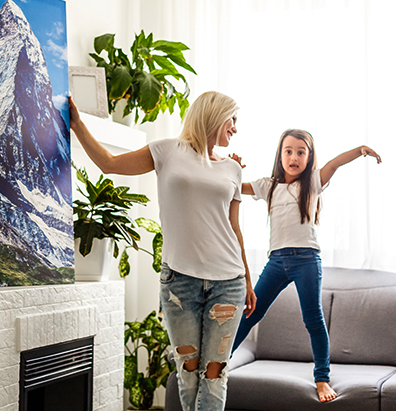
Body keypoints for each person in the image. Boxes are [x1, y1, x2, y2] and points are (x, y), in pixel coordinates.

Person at [69, 91, 257, 411]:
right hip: (180, 281)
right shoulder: (168, 150)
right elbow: (109, 164)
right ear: (213, 114)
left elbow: (234, 229)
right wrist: (77, 124)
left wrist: (249, 280)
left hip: (229, 282)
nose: (236, 129)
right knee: (188, 375)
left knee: (215, 376)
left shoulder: (233, 170)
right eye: (233, 119)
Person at [229, 129, 381, 403]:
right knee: (251, 311)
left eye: (301, 152)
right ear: (280, 155)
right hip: (276, 261)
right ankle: (220, 362)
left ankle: (322, 378)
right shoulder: (268, 185)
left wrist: (359, 150)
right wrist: (232, 168)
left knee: (313, 319)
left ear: (309, 158)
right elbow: (234, 186)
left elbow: (333, 164)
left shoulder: (312, 182)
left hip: (307, 261)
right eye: (288, 151)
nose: (294, 157)